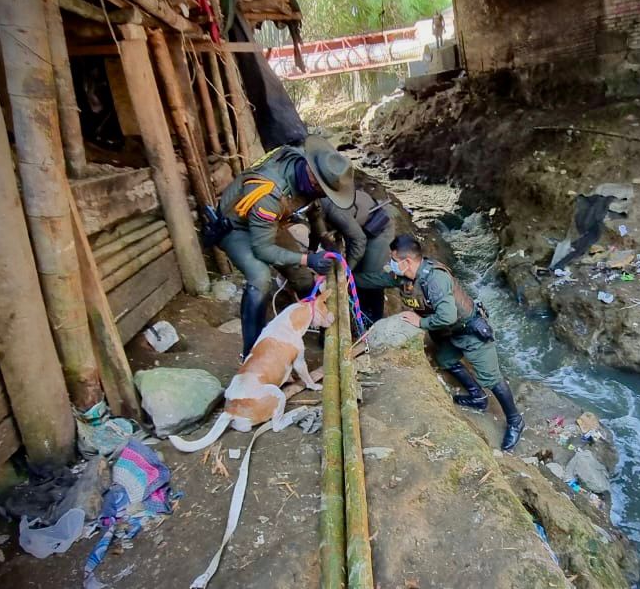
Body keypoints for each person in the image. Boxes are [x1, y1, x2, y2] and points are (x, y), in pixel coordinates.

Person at [355, 235, 524, 450]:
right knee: (445, 359)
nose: (391, 263)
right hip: (446, 333)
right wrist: (349, 278)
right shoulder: (406, 276)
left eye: (393, 259)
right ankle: (477, 397)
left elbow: (448, 316)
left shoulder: (434, 279)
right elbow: (377, 280)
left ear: (407, 262)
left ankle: (515, 420)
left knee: (491, 378)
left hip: (469, 330)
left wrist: (421, 321)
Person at [218, 135, 355, 358]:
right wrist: (308, 259)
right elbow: (263, 250)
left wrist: (322, 236)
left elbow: (314, 206)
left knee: (302, 278)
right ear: (313, 181)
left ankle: (317, 326)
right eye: (324, 191)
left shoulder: (309, 171)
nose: (324, 195)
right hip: (236, 226)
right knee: (260, 277)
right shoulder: (269, 192)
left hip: (270, 222)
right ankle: (252, 353)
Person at [319, 189, 395, 322]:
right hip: (360, 228)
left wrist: (347, 270)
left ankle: (374, 319)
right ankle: (361, 311)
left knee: (369, 276)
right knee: (358, 272)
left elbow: (359, 241)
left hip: (379, 229)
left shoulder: (335, 211)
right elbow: (318, 232)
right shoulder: (317, 202)